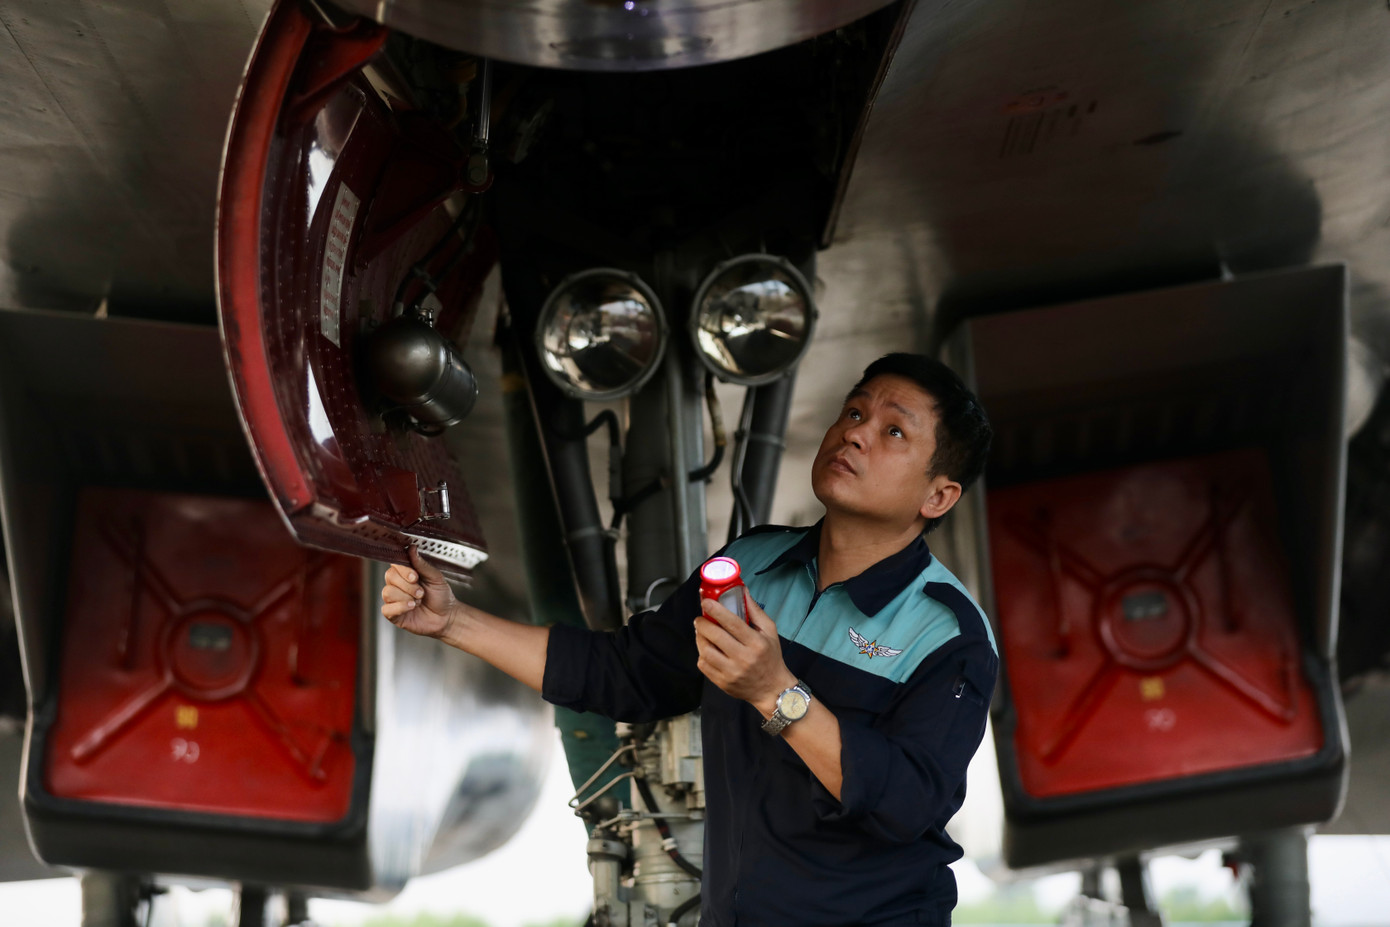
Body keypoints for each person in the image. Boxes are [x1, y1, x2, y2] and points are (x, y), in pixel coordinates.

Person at [382, 353, 998, 927]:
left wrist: (776, 694)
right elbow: (625, 673)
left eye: (895, 432)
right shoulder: (751, 566)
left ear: (938, 495)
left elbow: (908, 803)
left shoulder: (946, 633)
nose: (856, 433)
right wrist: (453, 621)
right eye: (856, 411)